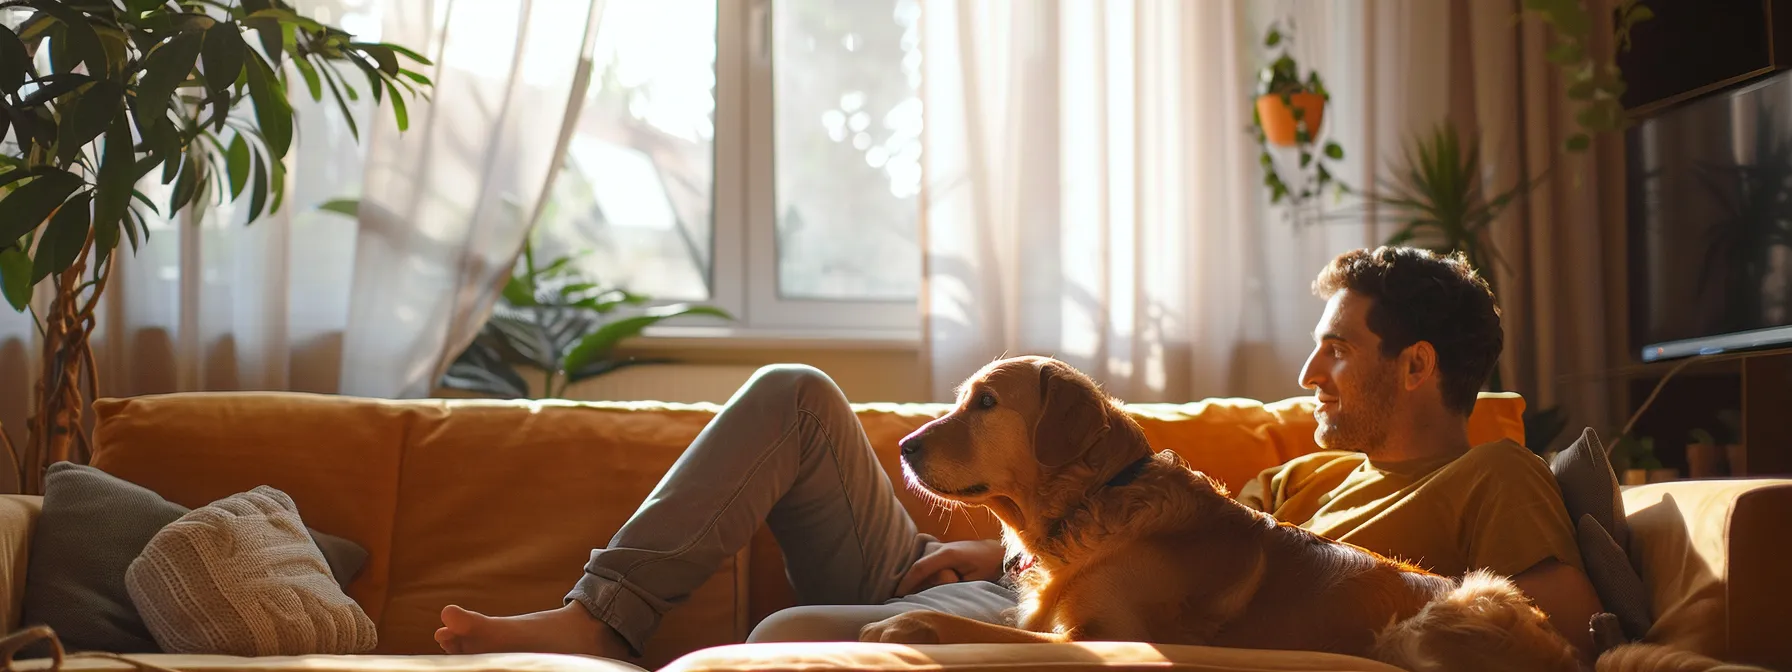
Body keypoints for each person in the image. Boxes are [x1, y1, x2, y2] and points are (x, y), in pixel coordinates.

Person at [433, 246, 1603, 664]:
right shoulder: (1296, 473)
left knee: (778, 639)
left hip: (1067, 613)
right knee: (794, 394)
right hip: (1012, 571)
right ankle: (605, 609)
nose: (1307, 379)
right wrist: (978, 536)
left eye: (1337, 353)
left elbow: (1543, 623)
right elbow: (1125, 525)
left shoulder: (1488, 473)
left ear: (1416, 367)